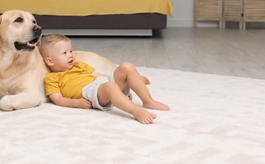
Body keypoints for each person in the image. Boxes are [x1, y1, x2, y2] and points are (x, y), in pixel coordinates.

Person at [39, 34, 170, 124]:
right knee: (110, 87)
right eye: (64, 53)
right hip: (91, 93)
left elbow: (99, 75)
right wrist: (76, 103)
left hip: (102, 84)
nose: (71, 55)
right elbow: (58, 99)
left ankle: (148, 100)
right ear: (50, 61)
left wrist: (122, 87)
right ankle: (135, 111)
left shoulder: (79, 64)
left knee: (126, 66)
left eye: (71, 51)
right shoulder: (51, 78)